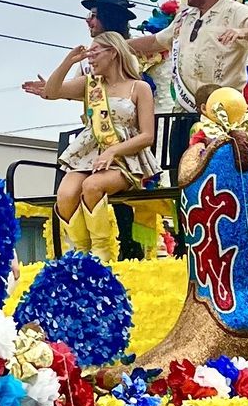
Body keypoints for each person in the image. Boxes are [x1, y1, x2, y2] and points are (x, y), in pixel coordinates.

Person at [127, 0, 248, 171]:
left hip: (222, 116)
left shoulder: (235, 11)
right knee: (180, 174)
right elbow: (157, 41)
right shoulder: (185, 16)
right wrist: (119, 46)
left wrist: (242, 32)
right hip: (185, 111)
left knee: (217, 175)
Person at [33, 32, 157, 261]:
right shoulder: (90, 85)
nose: (89, 58)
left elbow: (147, 136)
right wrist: (70, 60)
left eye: (95, 52)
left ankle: (102, 256)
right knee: (66, 193)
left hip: (125, 160)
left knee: (91, 186)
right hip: (87, 157)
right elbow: (50, 92)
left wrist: (112, 151)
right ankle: (81, 257)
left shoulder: (139, 87)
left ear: (113, 52)